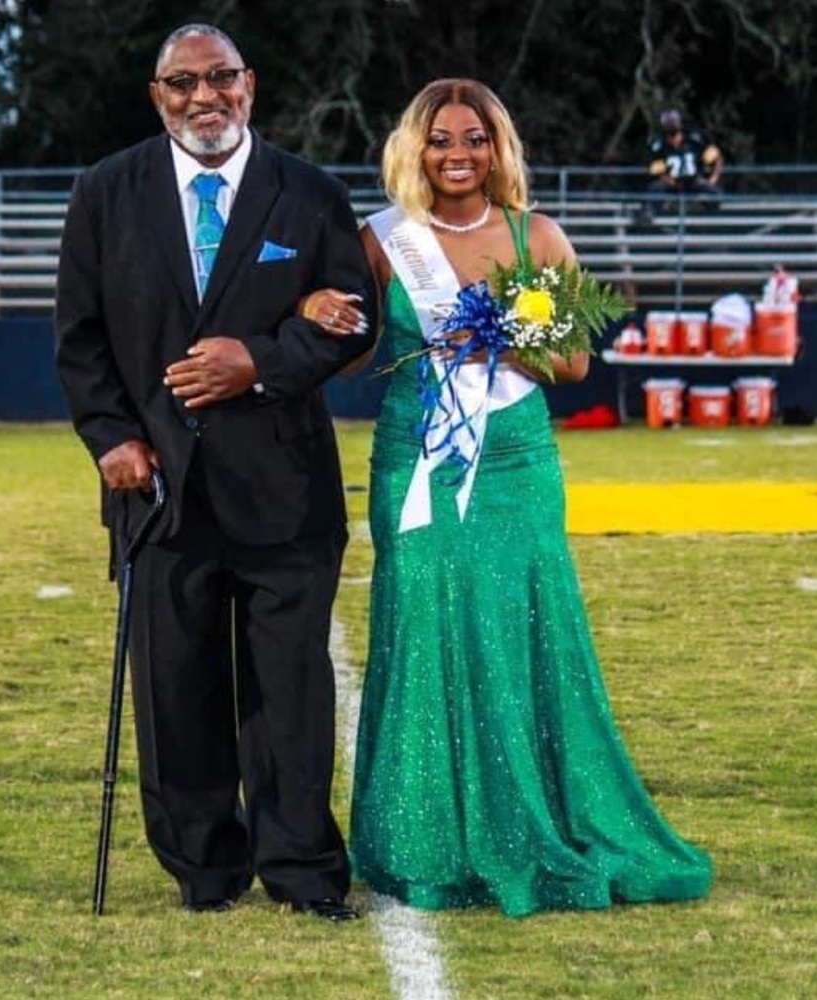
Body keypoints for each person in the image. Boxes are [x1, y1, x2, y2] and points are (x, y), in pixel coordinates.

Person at [303, 79, 712, 917]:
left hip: (516, 463)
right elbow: (350, 359)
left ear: (499, 148)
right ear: (415, 148)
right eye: (442, 139)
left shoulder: (537, 236)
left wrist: (505, 330)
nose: (459, 154)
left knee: (525, 627)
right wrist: (323, 318)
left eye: (476, 139)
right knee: (424, 624)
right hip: (418, 462)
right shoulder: (382, 241)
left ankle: (537, 826)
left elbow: (572, 367)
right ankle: (422, 839)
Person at [54, 23, 377, 922]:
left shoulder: (309, 194)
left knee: (291, 694)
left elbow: (357, 322)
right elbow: (80, 339)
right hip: (156, 488)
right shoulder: (105, 192)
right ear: (158, 96)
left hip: (285, 493)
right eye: (183, 83)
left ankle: (302, 869)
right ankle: (204, 868)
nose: (205, 98)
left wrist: (262, 361)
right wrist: (111, 437)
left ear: (251, 84)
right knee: (176, 689)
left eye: (221, 79)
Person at [636, 108, 723, 223]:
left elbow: (717, 157)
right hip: (671, 184)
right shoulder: (660, 145)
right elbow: (656, 168)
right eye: (669, 122)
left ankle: (699, 210)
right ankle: (650, 213)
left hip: (693, 182)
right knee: (654, 188)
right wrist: (666, 179)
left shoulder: (694, 141)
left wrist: (712, 179)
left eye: (674, 121)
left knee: (715, 193)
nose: (672, 125)